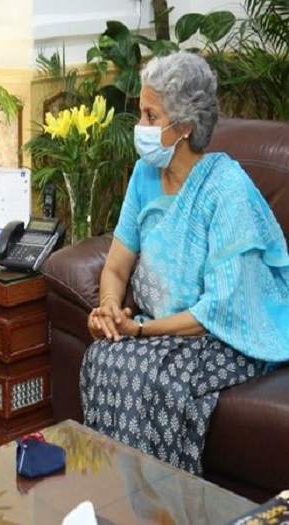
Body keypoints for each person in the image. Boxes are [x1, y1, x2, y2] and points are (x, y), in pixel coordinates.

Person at [82, 51, 289, 475]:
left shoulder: (225, 188)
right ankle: (116, 498)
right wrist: (108, 309)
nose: (139, 126)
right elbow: (117, 266)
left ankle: (163, 504)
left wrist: (138, 330)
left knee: (144, 375)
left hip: (229, 333)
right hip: (167, 329)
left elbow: (217, 311)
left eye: (149, 115)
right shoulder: (144, 175)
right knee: (101, 357)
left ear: (185, 126)